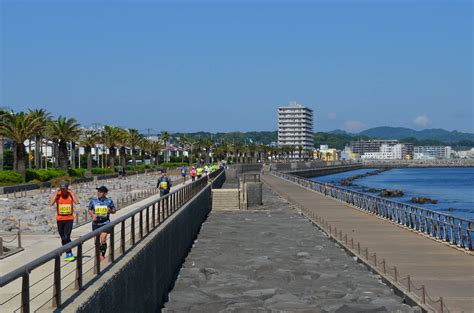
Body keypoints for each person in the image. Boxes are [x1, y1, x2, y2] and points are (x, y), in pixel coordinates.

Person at [50, 181, 79, 261]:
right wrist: (56, 192)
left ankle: (69, 253)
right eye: (62, 189)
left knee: (67, 236)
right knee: (63, 237)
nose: (63, 191)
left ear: (67, 188)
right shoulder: (58, 195)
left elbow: (76, 202)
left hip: (69, 219)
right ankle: (67, 251)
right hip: (60, 219)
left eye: (64, 189)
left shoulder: (70, 195)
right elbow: (51, 203)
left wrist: (72, 192)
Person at [88, 186, 116, 261]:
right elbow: (89, 209)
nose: (98, 193)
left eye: (100, 192)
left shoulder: (109, 201)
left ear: (104, 193)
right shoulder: (93, 201)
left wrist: (110, 211)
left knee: (103, 239)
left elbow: (114, 210)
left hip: (105, 222)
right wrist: (93, 215)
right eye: (98, 191)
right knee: (96, 241)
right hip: (96, 223)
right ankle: (98, 253)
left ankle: (102, 254)